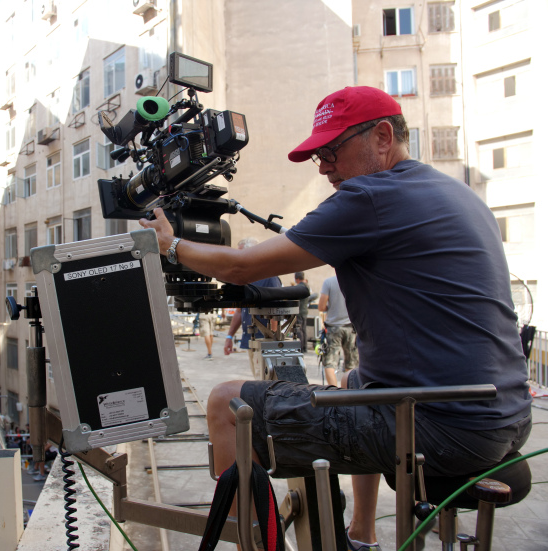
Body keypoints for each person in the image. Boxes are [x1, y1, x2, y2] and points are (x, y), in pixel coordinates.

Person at [140, 85, 532, 551]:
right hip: (505, 414)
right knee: (351, 379)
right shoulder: (454, 192)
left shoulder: (370, 196)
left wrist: (170, 244)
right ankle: (361, 535)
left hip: (443, 426)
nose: (324, 166)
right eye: (317, 157)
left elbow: (242, 267)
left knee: (227, 403)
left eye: (331, 151)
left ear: (382, 137)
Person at [223, 238, 281, 379]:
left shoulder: (269, 277)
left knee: (264, 382)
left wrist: (272, 343)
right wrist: (229, 336)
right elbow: (239, 311)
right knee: (258, 379)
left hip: (264, 342)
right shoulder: (245, 278)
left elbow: (276, 311)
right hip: (251, 341)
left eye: (240, 254)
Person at [318, 275, 358, 386]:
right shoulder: (354, 280)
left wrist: (331, 307)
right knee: (351, 364)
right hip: (351, 327)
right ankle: (349, 392)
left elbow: (321, 307)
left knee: (330, 363)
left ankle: (335, 392)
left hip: (333, 328)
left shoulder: (329, 282)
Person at [294, 271, 318, 352]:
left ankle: (300, 347)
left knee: (299, 330)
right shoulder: (307, 286)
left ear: (297, 279)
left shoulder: (299, 287)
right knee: (304, 330)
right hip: (305, 311)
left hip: (299, 311)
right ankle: (305, 347)